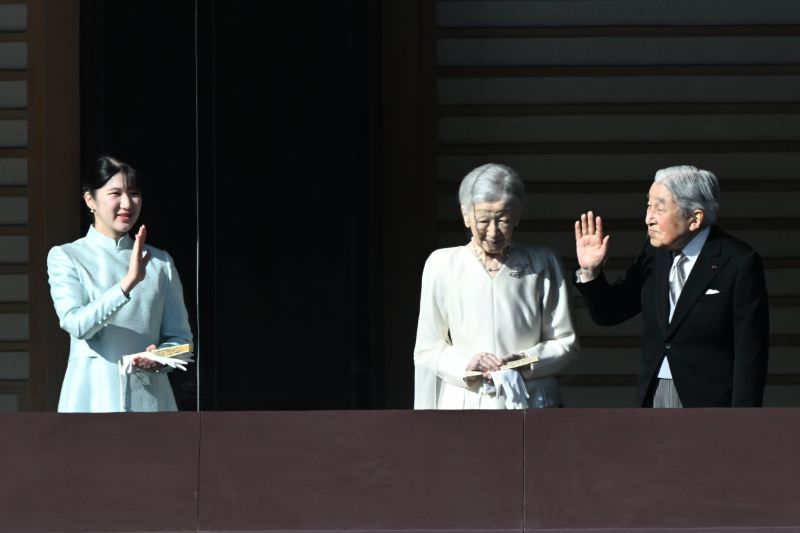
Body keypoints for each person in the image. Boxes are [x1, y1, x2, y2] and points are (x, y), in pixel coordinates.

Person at [574, 165, 769, 407]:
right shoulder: (653, 253)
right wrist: (591, 272)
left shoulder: (738, 261)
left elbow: (750, 353)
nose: (649, 219)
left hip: (710, 400)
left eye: (660, 208)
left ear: (695, 218)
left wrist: (743, 421)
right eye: (648, 206)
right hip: (654, 392)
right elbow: (610, 312)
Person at [413, 163, 579, 409]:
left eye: (503, 220)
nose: (493, 232)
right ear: (465, 215)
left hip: (531, 400)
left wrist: (526, 359)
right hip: (466, 404)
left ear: (518, 215)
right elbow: (427, 349)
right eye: (483, 220)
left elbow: (565, 341)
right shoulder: (442, 264)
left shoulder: (542, 261)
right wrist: (467, 365)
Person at [47, 155, 194, 412]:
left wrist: (160, 358)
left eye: (134, 193)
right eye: (115, 193)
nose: (127, 203)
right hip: (91, 399)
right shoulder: (67, 256)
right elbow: (76, 324)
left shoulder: (160, 262)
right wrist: (126, 284)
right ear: (90, 200)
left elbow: (182, 343)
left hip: (151, 402)